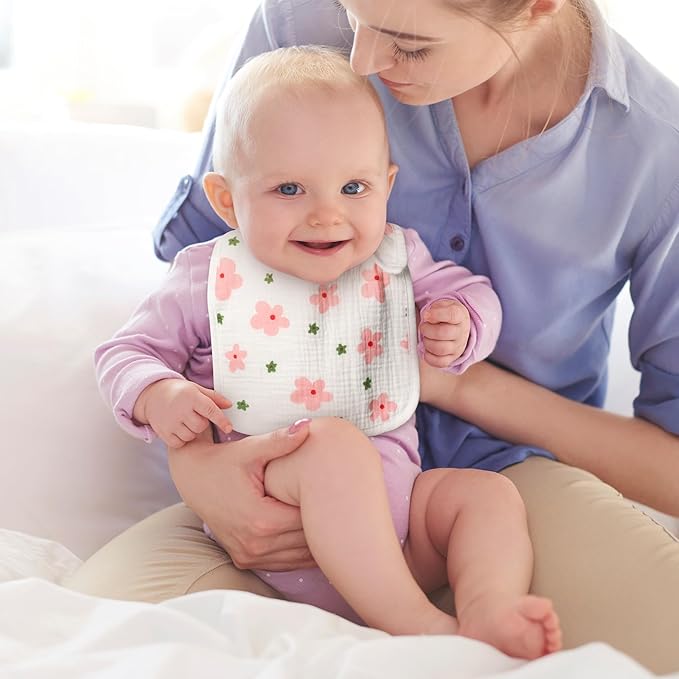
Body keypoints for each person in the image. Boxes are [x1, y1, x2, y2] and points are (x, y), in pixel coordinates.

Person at [67, 0, 679, 672]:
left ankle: (486, 604)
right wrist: (193, 454)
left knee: (490, 503)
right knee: (94, 640)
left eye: (408, 44)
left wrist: (461, 335)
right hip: (271, 502)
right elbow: (164, 331)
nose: (360, 59)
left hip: (436, 497)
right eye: (290, 189)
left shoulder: (652, 147)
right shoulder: (296, 33)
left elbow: (464, 293)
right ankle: (414, 621)